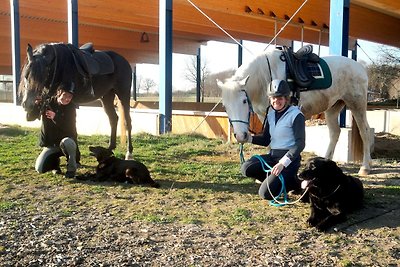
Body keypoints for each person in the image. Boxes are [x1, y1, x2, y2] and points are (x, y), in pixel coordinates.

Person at [240, 79, 305, 200]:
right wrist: (248, 139)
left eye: (280, 98)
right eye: (273, 98)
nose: (276, 101)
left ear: (286, 99)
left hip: (288, 162)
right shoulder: (270, 115)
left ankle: (292, 183)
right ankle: (275, 181)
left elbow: (300, 144)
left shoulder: (296, 115)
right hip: (273, 157)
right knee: (246, 168)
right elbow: (266, 140)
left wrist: (282, 163)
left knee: (265, 194)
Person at [35, 86, 80, 178]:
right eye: (65, 95)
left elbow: (70, 128)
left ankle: (71, 169)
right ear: (59, 93)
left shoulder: (71, 107)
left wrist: (55, 117)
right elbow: (30, 117)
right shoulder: (47, 103)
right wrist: (35, 105)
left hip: (65, 143)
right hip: (52, 144)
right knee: (40, 168)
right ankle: (55, 165)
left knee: (68, 142)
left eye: (70, 97)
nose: (67, 99)